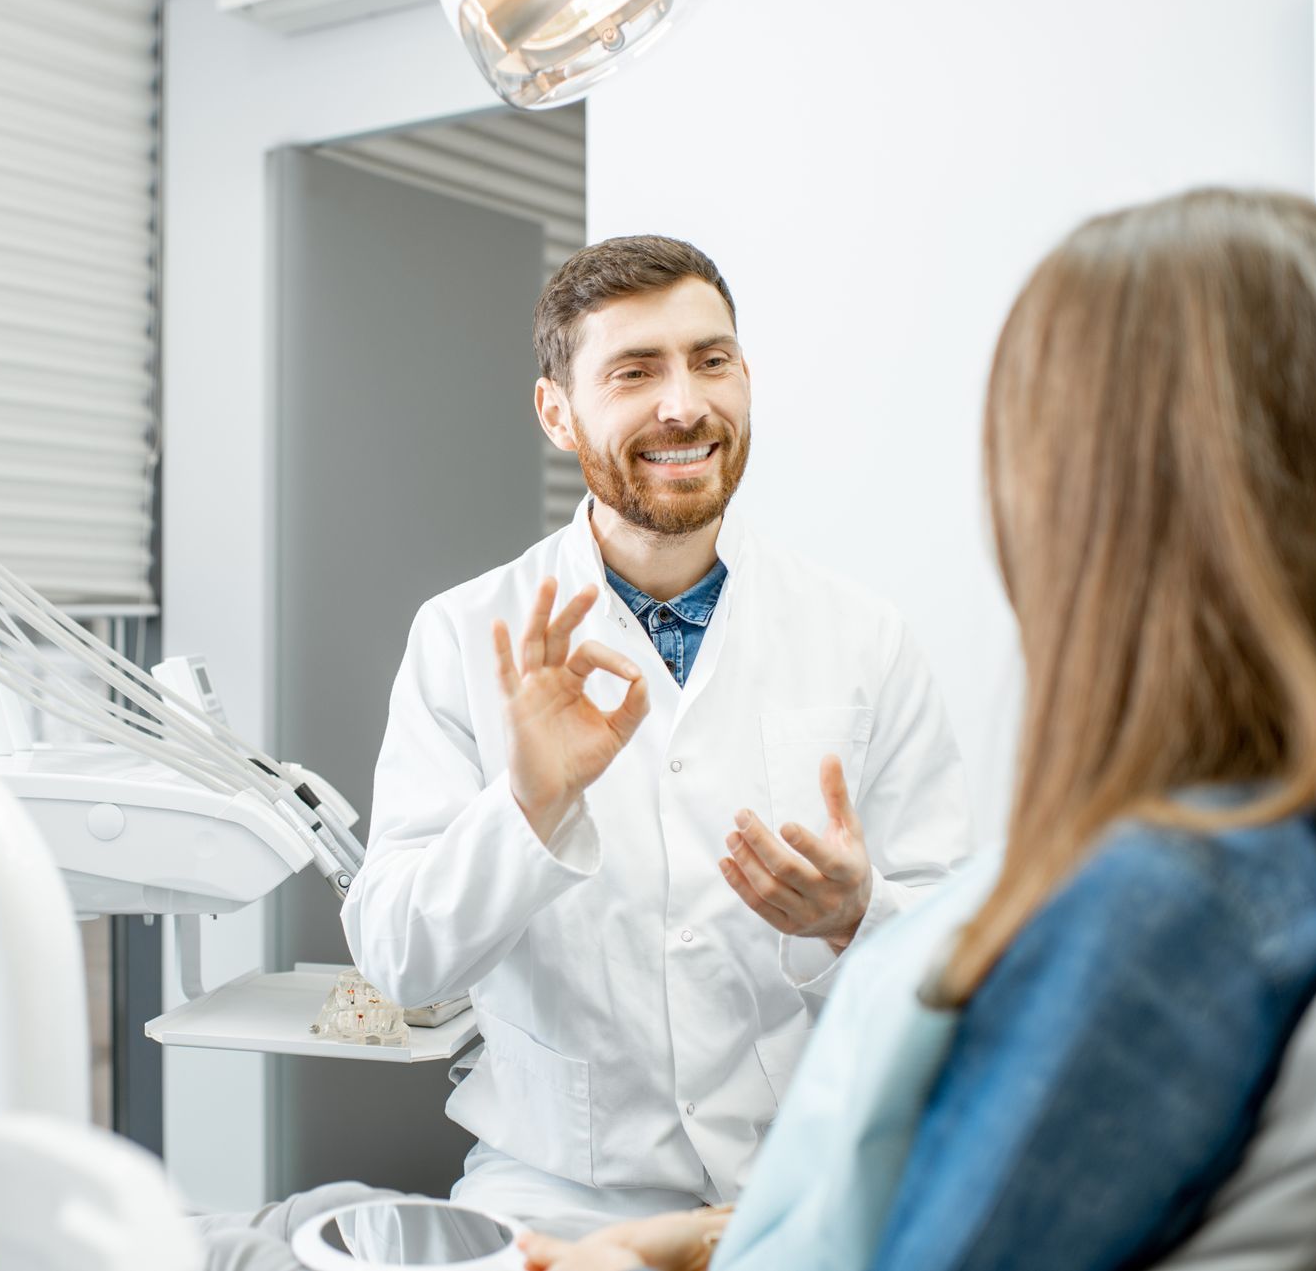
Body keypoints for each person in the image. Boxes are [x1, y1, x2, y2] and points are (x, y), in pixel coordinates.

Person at [515, 188, 1316, 1271]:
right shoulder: (1255, 865)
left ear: (1116, 497)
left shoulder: (1170, 911)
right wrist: (702, 1243)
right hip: (600, 1187)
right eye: (636, 371)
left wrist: (855, 914)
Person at [339, 233, 974, 1228]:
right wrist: (529, 808)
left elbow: (960, 956)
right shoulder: (464, 635)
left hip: (802, 1188)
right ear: (557, 412)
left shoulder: (863, 637)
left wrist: (859, 918)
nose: (684, 404)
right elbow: (398, 957)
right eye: (635, 372)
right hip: (555, 1199)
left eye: (711, 360)